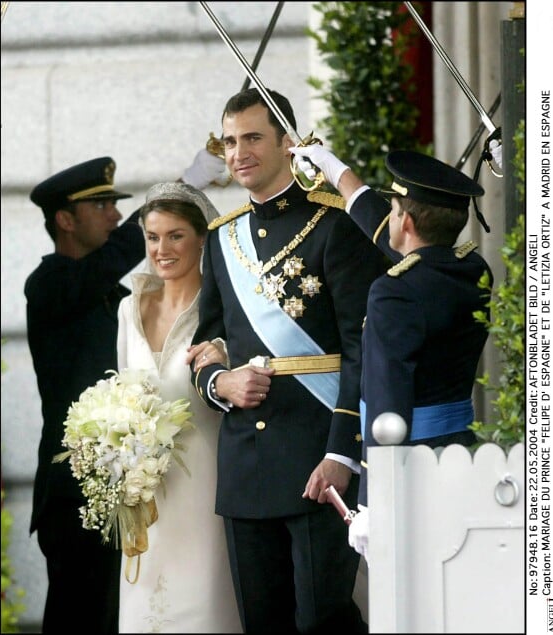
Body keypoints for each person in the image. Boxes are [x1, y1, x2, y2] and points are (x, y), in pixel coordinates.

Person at [188, 87, 384, 634]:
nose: (238, 152)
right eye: (229, 141)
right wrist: (219, 383)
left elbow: (362, 350)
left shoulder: (335, 225)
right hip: (245, 464)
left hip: (317, 456)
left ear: (287, 143)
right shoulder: (220, 239)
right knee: (263, 621)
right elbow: (207, 345)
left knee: (324, 618)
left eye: (252, 137)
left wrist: (343, 454)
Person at [25, 151, 227, 633]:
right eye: (102, 207)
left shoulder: (121, 300)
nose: (116, 215)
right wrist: (182, 186)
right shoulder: (49, 283)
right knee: (77, 614)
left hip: (140, 483)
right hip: (78, 489)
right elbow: (117, 257)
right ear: (65, 220)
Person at [290, 144, 494, 562]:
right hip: (459, 452)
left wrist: (373, 503)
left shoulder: (394, 292)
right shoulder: (472, 271)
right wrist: (336, 172)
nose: (391, 218)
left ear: (408, 221)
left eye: (396, 209)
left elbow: (387, 402)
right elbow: (405, 246)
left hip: (408, 473)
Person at [116, 181, 242, 633]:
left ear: (202, 238)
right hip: (145, 495)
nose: (162, 249)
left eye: (175, 236)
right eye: (152, 237)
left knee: (205, 604)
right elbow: (121, 397)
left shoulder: (226, 309)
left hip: (206, 485)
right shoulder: (128, 309)